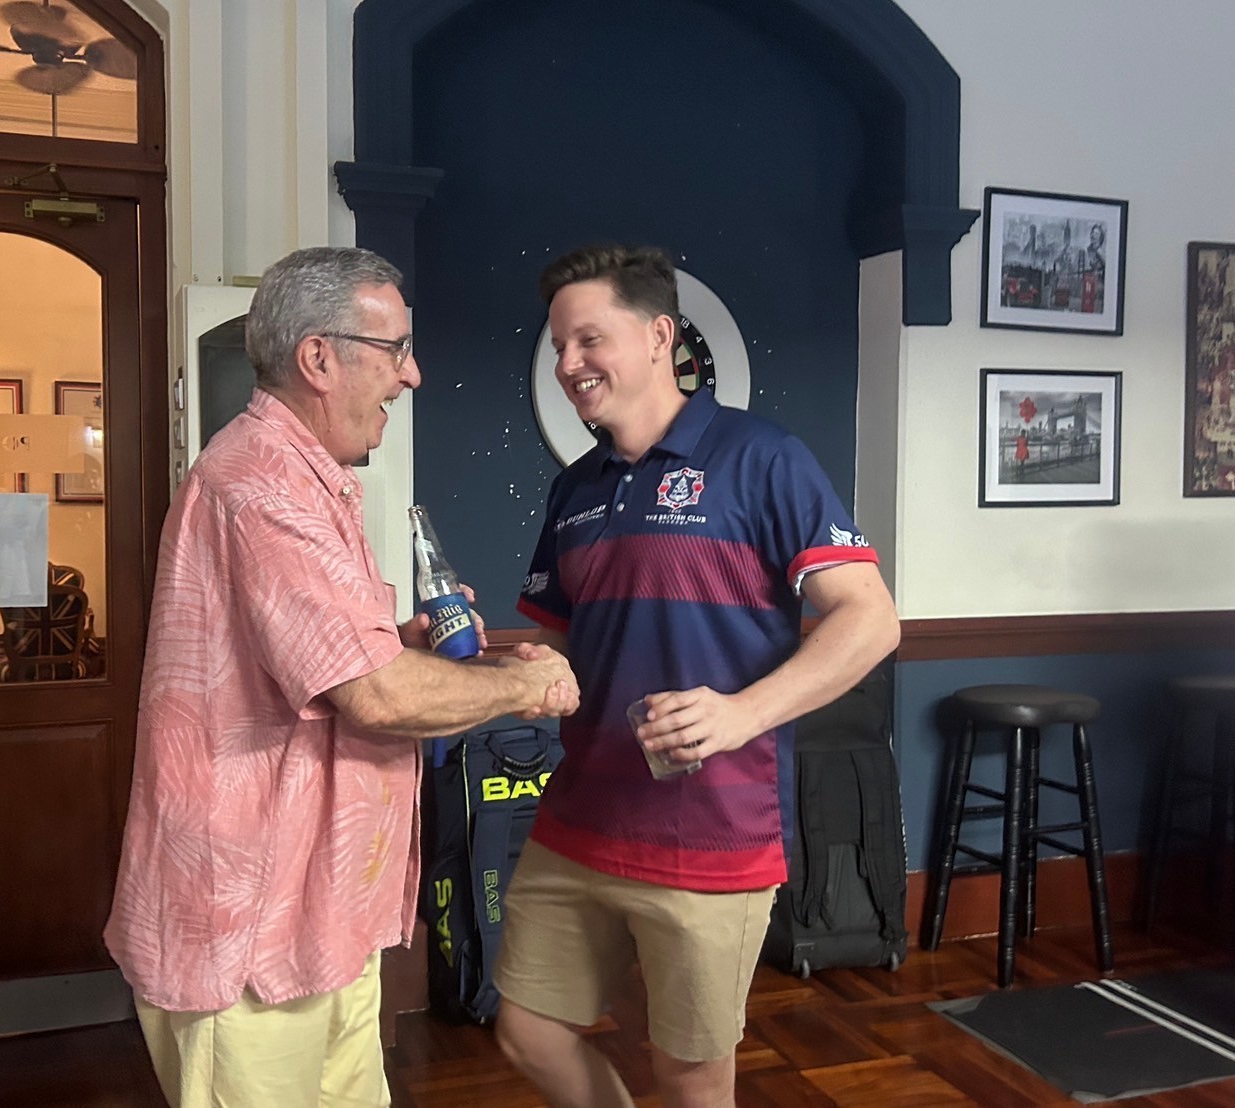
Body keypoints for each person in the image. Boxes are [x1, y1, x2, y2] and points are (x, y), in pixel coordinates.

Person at [105, 246, 579, 1108]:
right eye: (395, 349)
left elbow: (320, 665)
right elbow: (375, 697)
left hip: (315, 920)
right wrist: (526, 685)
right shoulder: (263, 487)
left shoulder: (305, 481)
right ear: (318, 359)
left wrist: (398, 642)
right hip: (249, 934)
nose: (412, 375)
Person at [494, 245, 900, 1108]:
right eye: (559, 346)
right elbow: (559, 645)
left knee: (689, 1075)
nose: (568, 364)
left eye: (588, 339)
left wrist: (741, 714)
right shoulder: (575, 488)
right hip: (579, 819)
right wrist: (517, 668)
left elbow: (870, 620)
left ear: (658, 336)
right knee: (526, 1031)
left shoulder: (763, 457)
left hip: (710, 830)